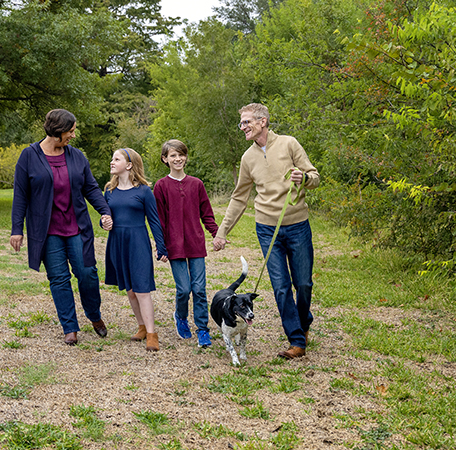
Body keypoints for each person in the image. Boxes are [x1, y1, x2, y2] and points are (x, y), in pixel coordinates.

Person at [213, 103, 320, 359]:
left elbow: (314, 176)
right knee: (281, 287)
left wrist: (303, 179)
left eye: (246, 122)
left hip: (297, 225)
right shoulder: (247, 158)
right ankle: (297, 341)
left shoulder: (288, 144)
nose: (243, 127)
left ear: (263, 121)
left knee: (303, 284)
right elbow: (239, 198)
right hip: (267, 229)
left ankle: (303, 322)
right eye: (241, 123)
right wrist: (222, 231)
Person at [10, 109, 114, 346]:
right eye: (71, 131)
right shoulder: (29, 156)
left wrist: (105, 211)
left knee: (87, 273)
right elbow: (20, 195)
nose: (73, 136)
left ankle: (94, 316)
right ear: (57, 132)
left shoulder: (77, 156)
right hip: (47, 231)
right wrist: (17, 229)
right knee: (58, 278)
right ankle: (70, 327)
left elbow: (90, 188)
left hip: (77, 226)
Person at [153, 139, 218, 348]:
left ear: (186, 157)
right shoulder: (161, 186)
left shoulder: (196, 184)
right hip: (174, 246)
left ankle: (203, 329)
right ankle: (180, 317)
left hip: (195, 243)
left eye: (181, 154)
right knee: (184, 289)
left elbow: (206, 213)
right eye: (173, 155)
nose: (178, 158)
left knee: (199, 289)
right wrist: (161, 247)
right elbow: (159, 220)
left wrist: (216, 234)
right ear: (165, 159)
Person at [103, 148, 168, 352]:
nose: (112, 162)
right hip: (117, 242)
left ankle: (151, 333)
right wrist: (104, 222)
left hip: (138, 242)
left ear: (129, 165)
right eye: (112, 159)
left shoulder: (143, 191)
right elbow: (105, 217)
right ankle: (141, 327)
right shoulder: (109, 191)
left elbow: (154, 221)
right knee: (130, 291)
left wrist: (161, 246)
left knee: (142, 289)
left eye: (116, 159)